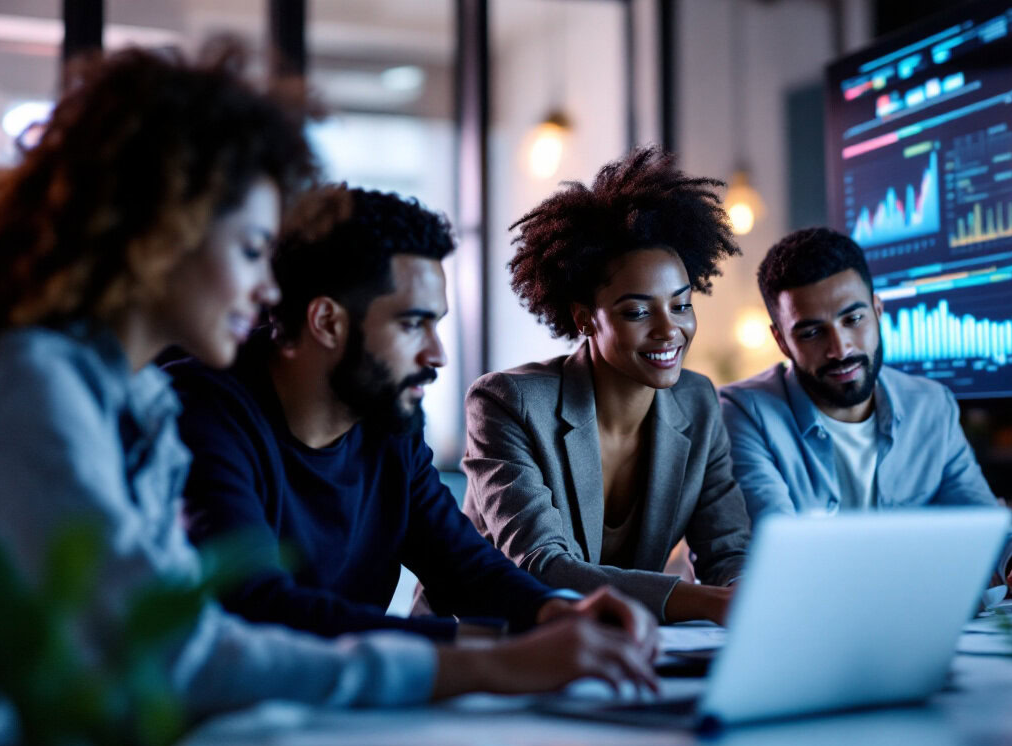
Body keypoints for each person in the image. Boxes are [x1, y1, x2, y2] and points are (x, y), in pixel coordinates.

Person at [0, 47, 656, 740]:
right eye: (253, 250)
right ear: (164, 235)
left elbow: (187, 633)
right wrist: (490, 662)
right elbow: (183, 649)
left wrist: (550, 617)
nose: (267, 289)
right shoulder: (36, 383)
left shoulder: (138, 404)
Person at [168, 183, 654, 644]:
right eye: (412, 323)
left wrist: (561, 613)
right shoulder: (201, 415)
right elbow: (260, 608)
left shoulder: (388, 421)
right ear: (327, 322)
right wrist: (490, 648)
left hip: (343, 713)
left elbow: (463, 566)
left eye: (436, 324)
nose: (437, 354)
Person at [462, 147, 752, 624]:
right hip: (500, 650)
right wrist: (711, 603)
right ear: (584, 319)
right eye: (637, 312)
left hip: (625, 649)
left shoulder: (698, 402)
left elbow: (726, 550)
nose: (668, 330)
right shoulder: (507, 403)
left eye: (681, 305)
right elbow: (543, 567)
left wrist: (745, 593)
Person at [720, 228, 1012, 603]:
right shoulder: (743, 412)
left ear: (877, 310)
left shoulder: (931, 406)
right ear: (781, 340)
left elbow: (982, 521)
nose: (840, 349)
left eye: (853, 319)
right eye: (812, 332)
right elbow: (777, 550)